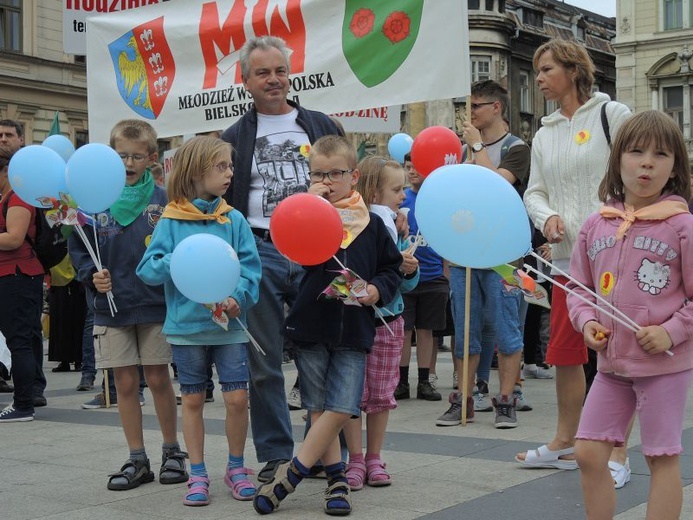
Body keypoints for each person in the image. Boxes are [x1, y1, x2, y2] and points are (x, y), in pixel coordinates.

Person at [252, 135, 401, 516]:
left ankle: (291, 474)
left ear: (353, 176)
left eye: (335, 173)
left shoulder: (371, 224)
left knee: (344, 405)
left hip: (354, 329)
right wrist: (310, 207)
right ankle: (336, 480)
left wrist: (375, 289)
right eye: (318, 173)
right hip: (312, 326)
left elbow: (391, 268)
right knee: (319, 408)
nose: (327, 180)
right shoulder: (304, 214)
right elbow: (290, 253)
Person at [220, 35, 343, 483]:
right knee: (263, 358)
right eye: (263, 73)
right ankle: (275, 453)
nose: (274, 80)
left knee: (324, 353)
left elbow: (349, 181)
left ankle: (321, 451)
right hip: (260, 250)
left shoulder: (321, 125)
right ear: (246, 80)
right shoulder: (233, 137)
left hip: (318, 252)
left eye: (280, 71)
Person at [567, 110, 693, 520]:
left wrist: (672, 332)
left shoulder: (682, 227)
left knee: (661, 457)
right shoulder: (595, 225)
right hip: (611, 367)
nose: (647, 162)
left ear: (675, 166)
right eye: (636, 151)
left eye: (661, 154)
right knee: (587, 452)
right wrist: (586, 323)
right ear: (618, 158)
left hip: (664, 367)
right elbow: (578, 289)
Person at [518, 39, 632, 478]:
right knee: (566, 353)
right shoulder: (543, 134)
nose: (540, 79)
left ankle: (618, 453)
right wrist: (547, 219)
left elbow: (633, 175)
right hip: (566, 261)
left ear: (573, 68)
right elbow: (535, 192)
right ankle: (566, 439)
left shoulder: (613, 115)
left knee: (616, 353)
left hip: (615, 254)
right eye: (538, 71)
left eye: (546, 70)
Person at [137, 136, 261, 506]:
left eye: (230, 166)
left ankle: (236, 468)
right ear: (195, 171)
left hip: (229, 328)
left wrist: (237, 297)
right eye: (221, 166)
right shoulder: (171, 219)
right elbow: (147, 270)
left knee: (238, 398)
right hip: (187, 330)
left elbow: (251, 271)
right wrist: (178, 258)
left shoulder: (233, 219)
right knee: (192, 401)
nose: (230, 173)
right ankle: (198, 473)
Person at [69, 119, 187, 490]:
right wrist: (91, 275)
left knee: (157, 378)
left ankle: (172, 451)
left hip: (154, 304)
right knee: (123, 382)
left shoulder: (165, 200)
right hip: (111, 306)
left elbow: (176, 247)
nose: (128, 163)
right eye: (121, 156)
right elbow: (79, 250)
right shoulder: (91, 201)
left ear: (152, 158)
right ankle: (137, 458)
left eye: (137, 156)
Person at [435, 80, 530, 428]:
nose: (470, 113)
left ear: (496, 108)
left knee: (506, 329)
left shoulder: (516, 148)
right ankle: (463, 398)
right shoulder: (462, 153)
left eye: (477, 105)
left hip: (504, 254)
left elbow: (497, 187)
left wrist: (476, 144)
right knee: (464, 330)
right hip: (465, 254)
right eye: (468, 106)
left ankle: (506, 400)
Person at [342, 156, 419, 491]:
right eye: (397, 189)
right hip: (355, 321)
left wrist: (409, 269)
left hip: (389, 322)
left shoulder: (397, 228)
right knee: (352, 394)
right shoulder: (354, 225)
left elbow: (406, 285)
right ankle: (355, 459)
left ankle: (374, 457)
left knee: (381, 394)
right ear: (374, 189)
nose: (403, 196)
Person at [0, 119, 47, 406]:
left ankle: (24, 401)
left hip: (18, 275)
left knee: (20, 341)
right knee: (19, 340)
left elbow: (15, 238)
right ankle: (25, 398)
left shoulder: (18, 196)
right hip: (9, 275)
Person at [395, 153, 448, 402]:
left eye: (417, 166)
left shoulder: (438, 198)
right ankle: (402, 381)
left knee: (427, 331)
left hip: (433, 274)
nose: (412, 171)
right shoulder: (402, 197)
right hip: (406, 273)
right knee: (404, 331)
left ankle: (425, 380)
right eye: (408, 167)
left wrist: (446, 274)